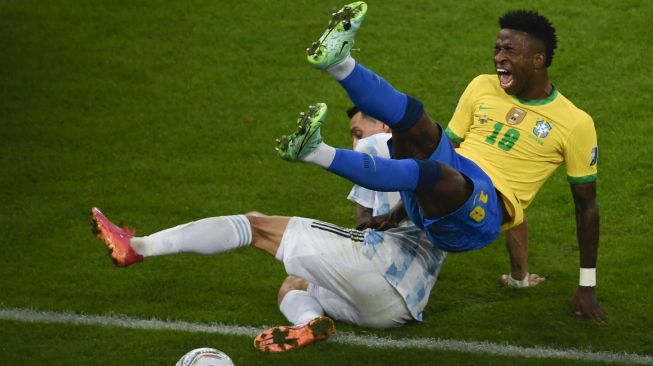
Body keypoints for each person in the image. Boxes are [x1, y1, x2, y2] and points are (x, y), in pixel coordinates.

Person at [278, 2, 604, 321]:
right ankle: (340, 64)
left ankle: (314, 152)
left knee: (430, 171)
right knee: (414, 120)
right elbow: (444, 143)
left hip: (482, 209)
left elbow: (586, 206)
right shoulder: (482, 86)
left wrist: (586, 285)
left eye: (510, 52)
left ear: (538, 60)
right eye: (497, 49)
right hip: (448, 179)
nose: (499, 59)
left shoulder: (575, 123)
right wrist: (400, 211)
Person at [90, 109, 446, 353]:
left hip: (379, 267)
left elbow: (364, 223)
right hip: (399, 309)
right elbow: (374, 224)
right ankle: (311, 323)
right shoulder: (445, 171)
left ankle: (138, 246)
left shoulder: (376, 146)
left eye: (357, 132)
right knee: (294, 282)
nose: (355, 142)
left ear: (385, 125)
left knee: (256, 225)